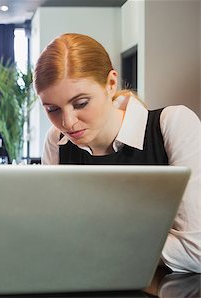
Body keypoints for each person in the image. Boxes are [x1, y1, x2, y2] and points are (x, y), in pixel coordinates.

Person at [34, 33, 200, 273]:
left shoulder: (172, 124)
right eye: (52, 109)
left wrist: (87, 237)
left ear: (111, 84)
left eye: (81, 103)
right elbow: (54, 237)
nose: (68, 122)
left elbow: (195, 251)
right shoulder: (56, 141)